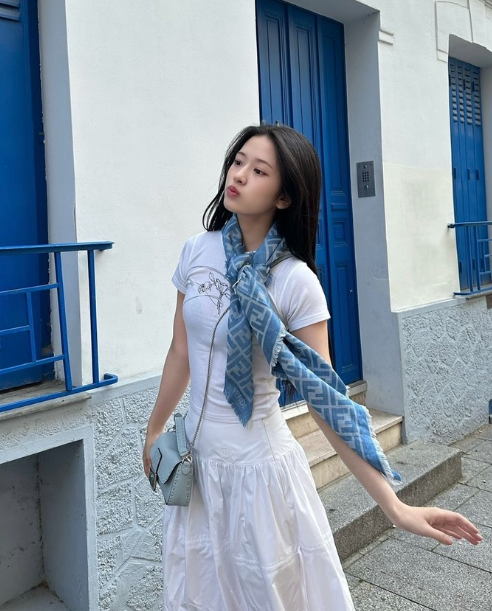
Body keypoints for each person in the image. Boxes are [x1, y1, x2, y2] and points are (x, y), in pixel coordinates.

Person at [143, 124, 482, 611]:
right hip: (199, 471)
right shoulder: (197, 252)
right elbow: (181, 350)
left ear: (284, 197)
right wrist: (154, 429)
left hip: (260, 476)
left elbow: (326, 402)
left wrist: (394, 507)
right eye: (238, 161)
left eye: (259, 171)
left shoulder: (295, 282)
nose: (238, 175)